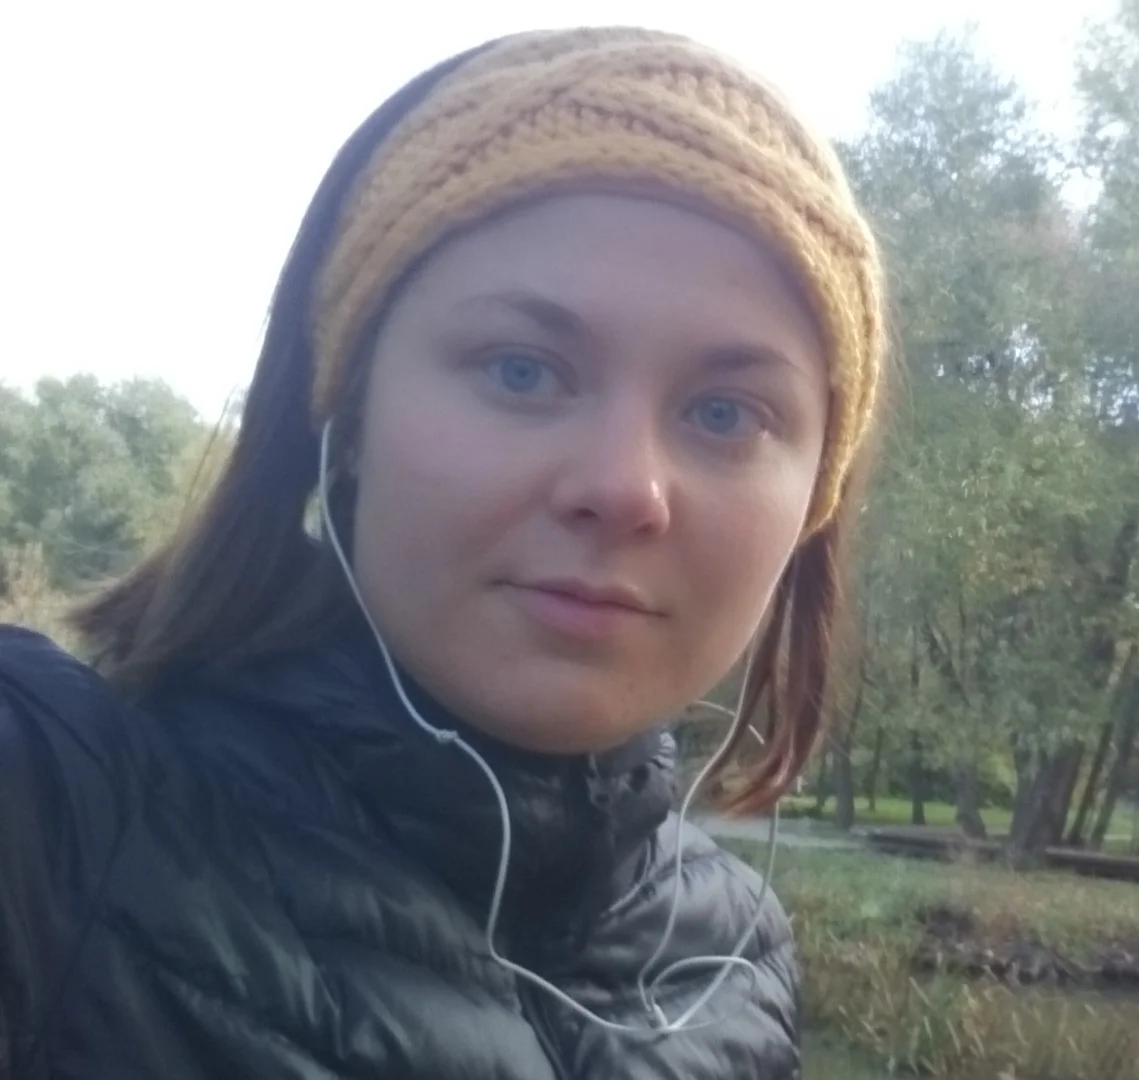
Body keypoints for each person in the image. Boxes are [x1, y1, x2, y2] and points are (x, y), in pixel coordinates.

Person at [0, 25, 886, 1079]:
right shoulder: (45, 818)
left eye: (726, 413)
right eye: (522, 370)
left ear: (814, 499)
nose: (625, 488)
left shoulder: (735, 961)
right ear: (349, 410)